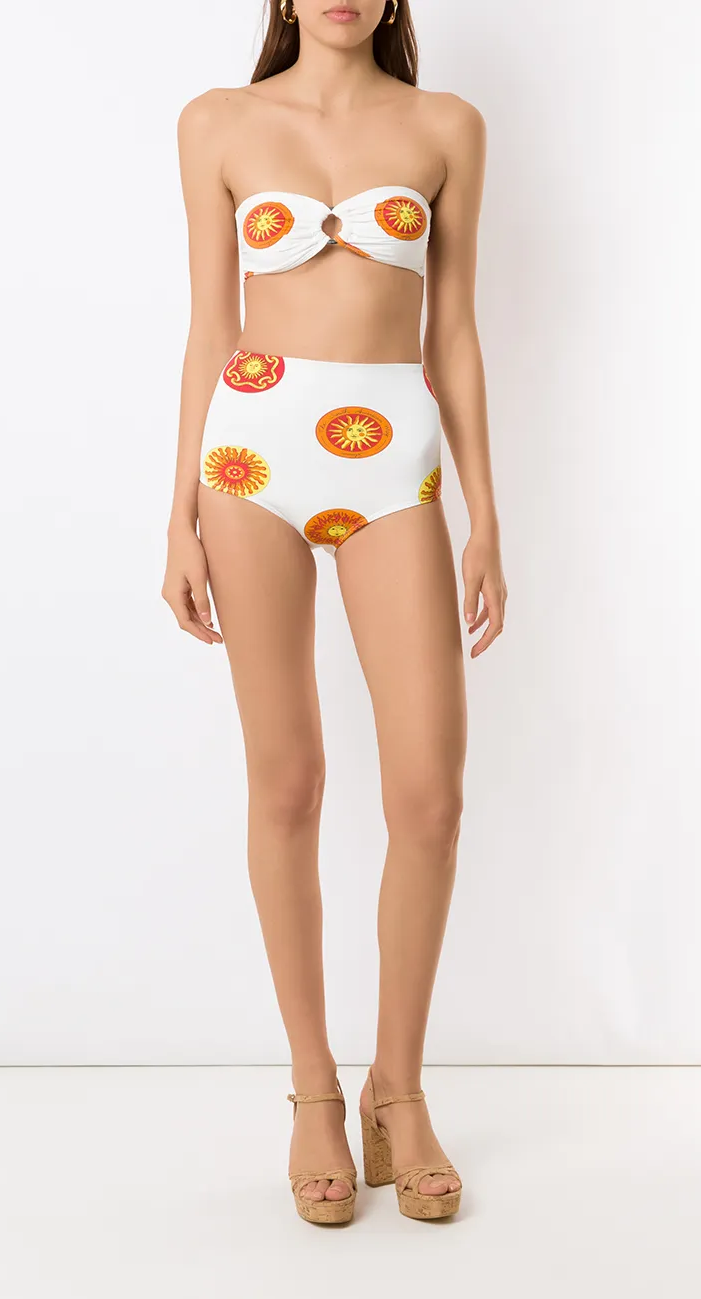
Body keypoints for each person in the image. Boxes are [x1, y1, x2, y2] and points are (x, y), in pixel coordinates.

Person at [162, 0, 506, 1223]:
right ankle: (313, 1090)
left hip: (391, 462)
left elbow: (451, 333)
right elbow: (210, 327)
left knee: (428, 795)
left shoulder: (446, 126)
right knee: (288, 781)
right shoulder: (216, 122)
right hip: (249, 457)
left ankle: (395, 1089)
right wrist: (177, 516)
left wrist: (484, 515)